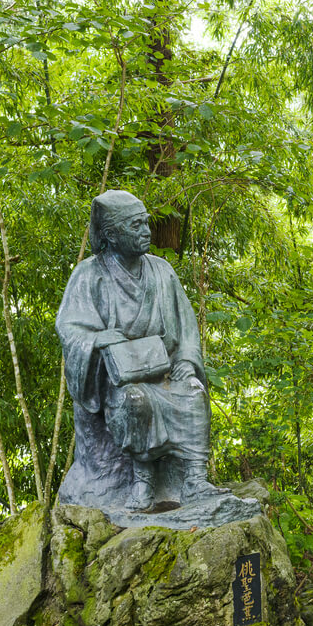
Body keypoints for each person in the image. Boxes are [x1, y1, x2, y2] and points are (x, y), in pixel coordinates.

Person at [56, 190, 227, 511]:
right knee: (135, 401)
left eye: (146, 224)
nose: (146, 232)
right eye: (135, 226)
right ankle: (143, 481)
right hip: (116, 378)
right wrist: (100, 340)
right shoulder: (88, 275)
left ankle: (195, 479)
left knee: (192, 391)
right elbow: (71, 329)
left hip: (164, 370)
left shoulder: (162, 271)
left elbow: (187, 326)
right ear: (110, 234)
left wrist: (188, 363)